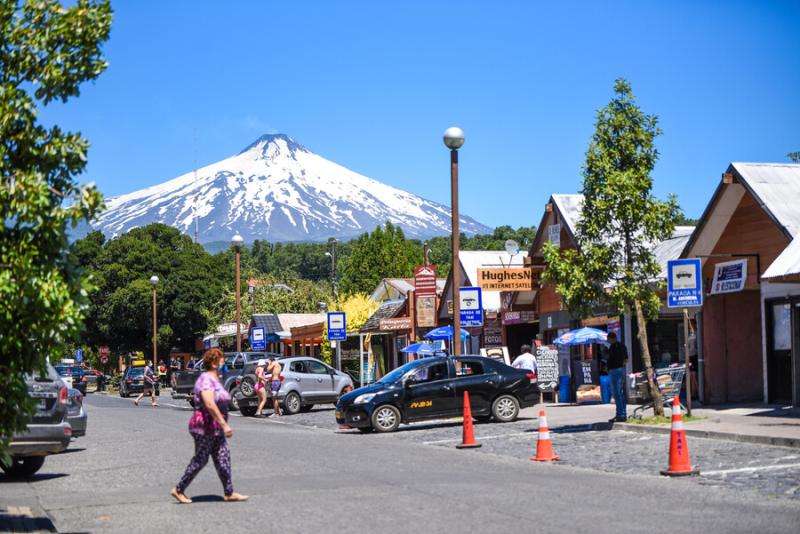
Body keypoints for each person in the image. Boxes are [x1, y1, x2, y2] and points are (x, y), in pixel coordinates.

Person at [171, 348, 248, 504]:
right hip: (204, 426)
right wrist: (224, 424)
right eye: (221, 360)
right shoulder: (206, 379)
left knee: (223, 457)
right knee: (201, 459)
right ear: (213, 362)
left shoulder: (215, 378)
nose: (223, 362)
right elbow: (209, 403)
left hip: (215, 429)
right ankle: (178, 489)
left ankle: (229, 492)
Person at [606, 331, 628, 422]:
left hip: (615, 370)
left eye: (608, 339)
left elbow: (611, 359)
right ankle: (622, 413)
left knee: (617, 393)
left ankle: (620, 415)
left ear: (612, 338)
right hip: (620, 369)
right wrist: (622, 367)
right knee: (620, 393)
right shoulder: (622, 346)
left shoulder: (613, 347)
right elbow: (626, 359)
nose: (608, 341)